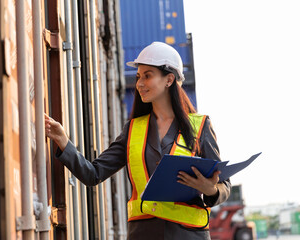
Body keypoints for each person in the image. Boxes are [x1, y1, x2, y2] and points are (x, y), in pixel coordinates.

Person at [45, 41, 231, 240]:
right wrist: (63, 140)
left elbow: (224, 186)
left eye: (147, 76)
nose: (139, 83)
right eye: (138, 77)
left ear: (169, 79)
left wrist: (210, 189)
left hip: (188, 234)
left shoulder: (200, 126)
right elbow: (93, 174)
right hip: (143, 234)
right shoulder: (133, 130)